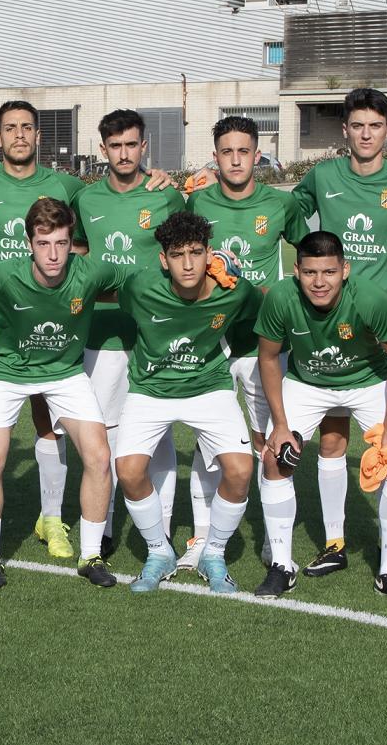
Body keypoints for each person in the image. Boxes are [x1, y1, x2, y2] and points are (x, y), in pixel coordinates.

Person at [287, 88, 387, 578]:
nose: (365, 134)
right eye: (357, 125)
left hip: (385, 341)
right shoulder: (324, 176)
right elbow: (287, 215)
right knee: (332, 443)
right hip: (325, 333)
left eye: (375, 126)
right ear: (345, 130)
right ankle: (334, 544)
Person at [254, 231, 387, 603]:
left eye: (329, 272)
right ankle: (281, 566)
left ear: (345, 270)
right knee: (274, 458)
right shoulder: (280, 297)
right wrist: (280, 426)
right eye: (310, 272)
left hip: (369, 380)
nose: (319, 282)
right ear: (296, 270)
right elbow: (268, 357)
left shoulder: (371, 299)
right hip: (307, 382)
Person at [0, 100, 92, 559]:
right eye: (10, 128)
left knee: (48, 422)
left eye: (27, 127)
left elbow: (87, 239)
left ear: (39, 135)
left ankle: (51, 518)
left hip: (48, 323)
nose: (19, 134)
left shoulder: (66, 185)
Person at [0, 198, 123, 589]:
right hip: (7, 372)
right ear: (29, 243)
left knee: (99, 455)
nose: (53, 254)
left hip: (64, 373)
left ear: (72, 243)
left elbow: (141, 279)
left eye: (61, 243)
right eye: (43, 243)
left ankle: (91, 555)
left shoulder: (90, 272)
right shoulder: (4, 274)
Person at [179, 115, 308, 570]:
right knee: (207, 443)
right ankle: (200, 538)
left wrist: (283, 294)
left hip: (263, 345)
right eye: (226, 152)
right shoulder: (198, 201)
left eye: (244, 151)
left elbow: (311, 257)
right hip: (212, 341)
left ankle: (274, 540)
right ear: (215, 157)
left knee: (269, 440)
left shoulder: (280, 204)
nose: (235, 160)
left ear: (257, 155)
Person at [114, 213, 262, 594]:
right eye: (177, 255)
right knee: (128, 471)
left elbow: (259, 305)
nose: (188, 263)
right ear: (163, 260)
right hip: (150, 389)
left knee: (240, 470)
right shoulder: (141, 287)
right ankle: (159, 551)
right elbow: (122, 300)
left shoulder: (234, 291)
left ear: (210, 254)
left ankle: (213, 553)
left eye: (196, 252)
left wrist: (236, 271)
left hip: (208, 386)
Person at [72, 109, 187, 557]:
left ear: (144, 147)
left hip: (157, 332)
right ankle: (103, 527)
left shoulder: (166, 195)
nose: (124, 154)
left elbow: (186, 254)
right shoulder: (86, 199)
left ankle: (162, 529)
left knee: (159, 433)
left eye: (131, 145)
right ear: (103, 149)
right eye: (115, 146)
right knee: (104, 434)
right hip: (102, 332)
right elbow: (77, 253)